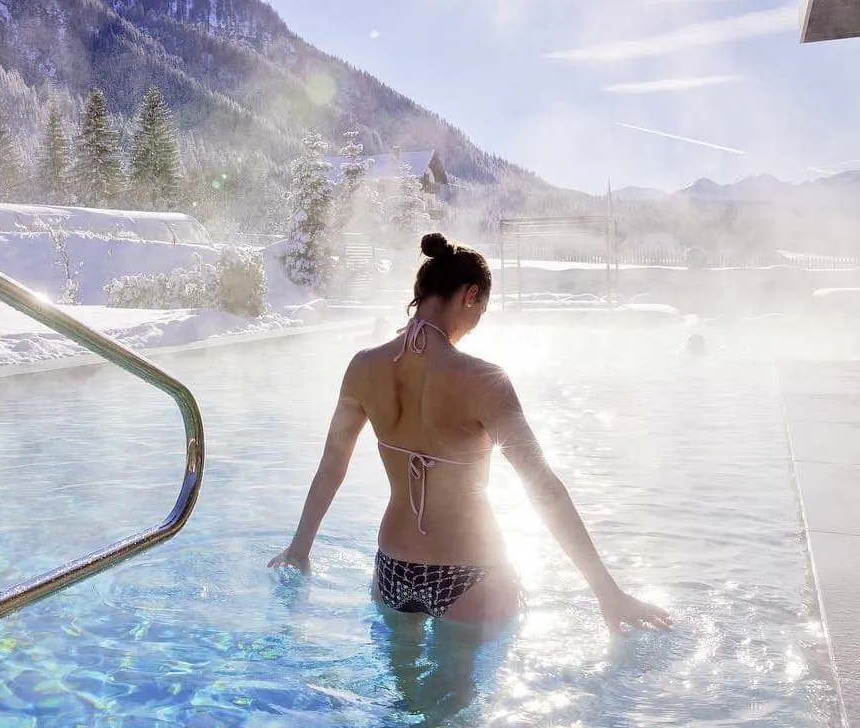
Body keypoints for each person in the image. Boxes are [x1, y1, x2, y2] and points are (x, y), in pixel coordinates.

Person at [270, 232, 671, 634]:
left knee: (400, 698)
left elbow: (331, 467)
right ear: (470, 295)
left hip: (393, 569)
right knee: (461, 698)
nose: (477, 322)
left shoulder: (363, 366)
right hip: (470, 571)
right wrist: (607, 592)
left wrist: (300, 549)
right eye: (481, 310)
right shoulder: (484, 380)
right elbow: (543, 487)